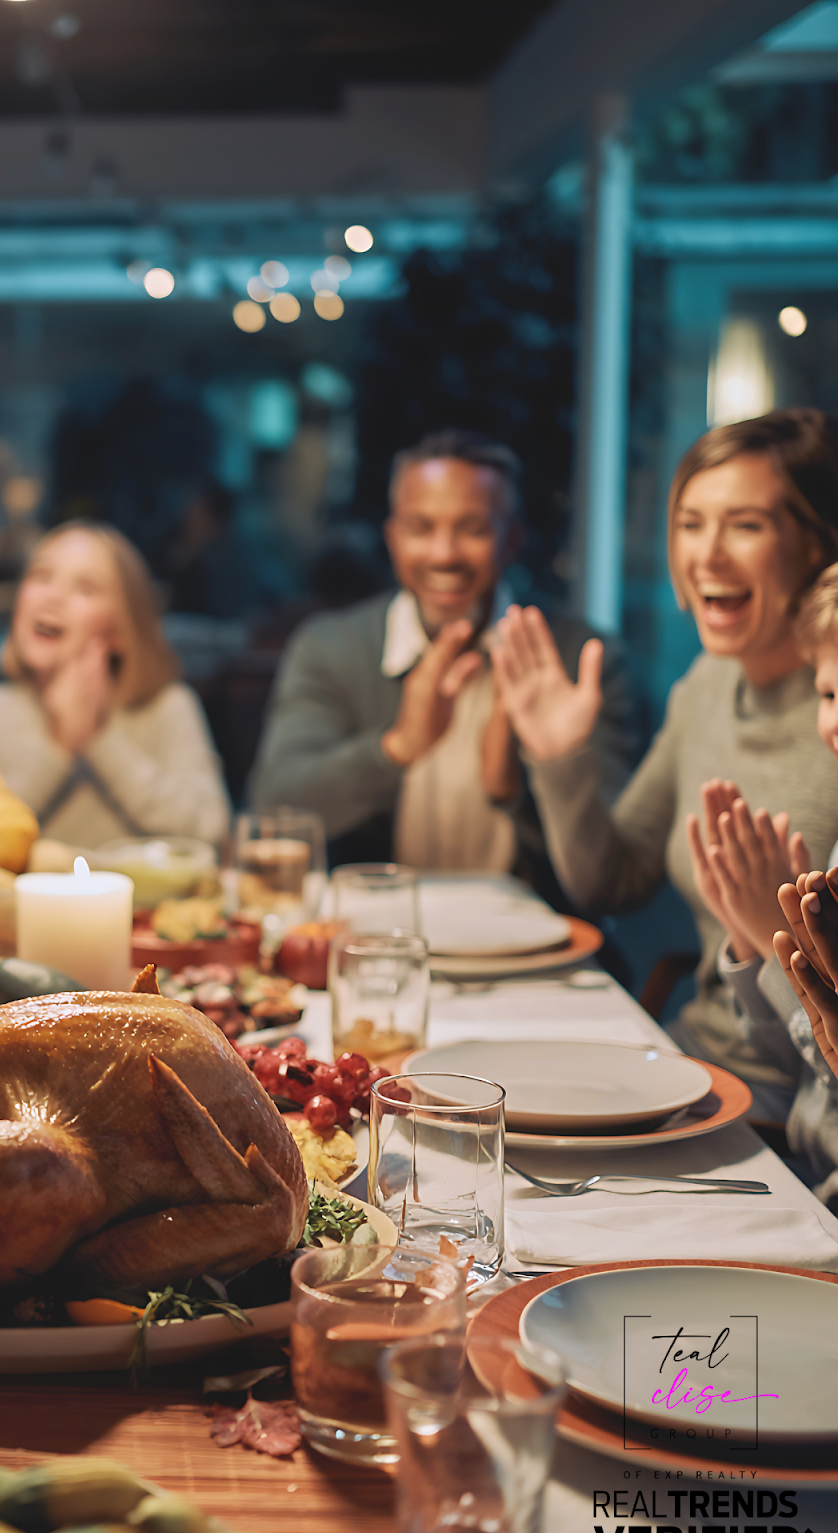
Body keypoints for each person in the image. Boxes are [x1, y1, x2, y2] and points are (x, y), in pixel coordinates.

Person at [495, 409, 838, 1123]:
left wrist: (774, 935)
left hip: (791, 1103)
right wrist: (560, 759)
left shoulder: (832, 720)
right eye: (690, 523)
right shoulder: (707, 685)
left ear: (818, 542)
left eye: (745, 525)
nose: (706, 555)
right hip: (693, 1057)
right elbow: (610, 880)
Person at [250, 431, 637, 885]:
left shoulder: (581, 659)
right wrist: (397, 748)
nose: (444, 554)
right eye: (421, 528)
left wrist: (512, 788)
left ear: (512, 540)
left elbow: (608, 880)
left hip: (531, 925)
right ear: (393, 538)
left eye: (473, 529)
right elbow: (274, 808)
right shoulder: (331, 649)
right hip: (372, 921)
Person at [686, 565, 838, 1204]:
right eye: (829, 694)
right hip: (807, 1170)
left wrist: (779, 943)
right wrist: (753, 942)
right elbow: (802, 1059)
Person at [0, 521, 230, 849]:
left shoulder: (167, 707)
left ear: (121, 631)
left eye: (86, 589)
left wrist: (99, 739)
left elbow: (211, 830)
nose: (53, 597)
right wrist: (59, 747)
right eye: (41, 576)